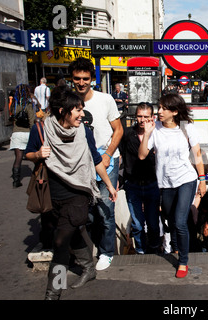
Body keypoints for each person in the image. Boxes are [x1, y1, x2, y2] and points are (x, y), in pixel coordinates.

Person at [25, 86, 118, 300]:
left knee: (60, 243)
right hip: (51, 195)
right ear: (62, 111)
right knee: (74, 231)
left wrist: (110, 186)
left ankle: (53, 291)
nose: (82, 114)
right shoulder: (41, 130)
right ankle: (89, 268)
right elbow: (28, 153)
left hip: (78, 194)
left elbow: (96, 159)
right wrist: (38, 154)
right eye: (76, 110)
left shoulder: (84, 131)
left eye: (81, 109)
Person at [139, 93, 206, 278]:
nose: (159, 111)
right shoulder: (156, 128)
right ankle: (176, 244)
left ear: (175, 112)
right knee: (168, 216)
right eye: (159, 107)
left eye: (163, 108)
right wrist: (146, 134)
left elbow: (198, 153)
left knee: (179, 221)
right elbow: (143, 155)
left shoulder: (187, 128)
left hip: (186, 178)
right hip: (166, 182)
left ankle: (183, 261)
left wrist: (202, 179)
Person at [68, 57, 123, 271]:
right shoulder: (68, 101)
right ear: (71, 79)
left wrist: (108, 153)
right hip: (81, 165)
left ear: (92, 79)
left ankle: (106, 252)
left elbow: (118, 130)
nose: (81, 83)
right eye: (77, 78)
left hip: (107, 160)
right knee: (87, 213)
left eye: (86, 78)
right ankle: (92, 247)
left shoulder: (105, 99)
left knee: (105, 210)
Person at [120, 102, 161, 254]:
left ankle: (154, 249)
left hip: (152, 184)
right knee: (137, 224)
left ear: (152, 118)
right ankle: (141, 251)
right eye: (139, 116)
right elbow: (120, 156)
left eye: (146, 116)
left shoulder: (158, 134)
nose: (142, 120)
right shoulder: (128, 134)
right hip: (133, 184)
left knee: (153, 224)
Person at [9, 84, 37, 187]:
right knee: (35, 157)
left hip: (17, 133)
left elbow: (11, 116)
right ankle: (38, 177)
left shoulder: (14, 105)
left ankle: (16, 181)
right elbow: (31, 121)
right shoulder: (29, 105)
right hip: (27, 133)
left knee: (18, 158)